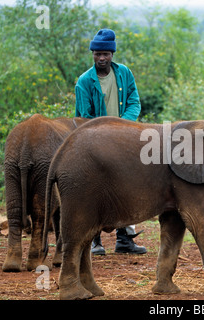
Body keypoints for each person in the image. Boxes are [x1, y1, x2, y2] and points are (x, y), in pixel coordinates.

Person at [75, 28, 147, 255]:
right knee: (97, 187)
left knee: (128, 184)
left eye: (105, 53)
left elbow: (134, 101)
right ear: (93, 54)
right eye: (97, 54)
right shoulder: (84, 81)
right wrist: (104, 134)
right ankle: (94, 240)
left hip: (124, 137)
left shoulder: (124, 73)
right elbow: (83, 117)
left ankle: (125, 239)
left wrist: (124, 126)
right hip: (97, 142)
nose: (101, 58)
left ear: (112, 54)